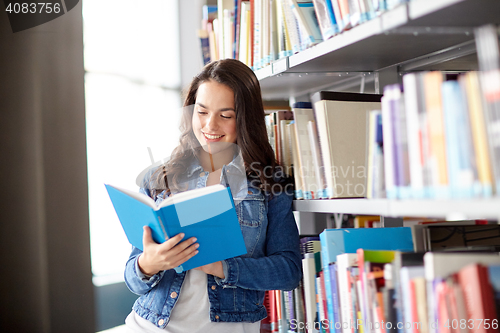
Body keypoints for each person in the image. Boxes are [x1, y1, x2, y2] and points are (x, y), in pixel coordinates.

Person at [124, 59, 302, 333]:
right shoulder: (159, 178)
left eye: (226, 115)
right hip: (149, 325)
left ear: (245, 119)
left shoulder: (269, 184)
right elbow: (133, 281)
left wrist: (222, 267)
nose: (210, 125)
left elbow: (288, 271)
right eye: (202, 112)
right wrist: (148, 264)